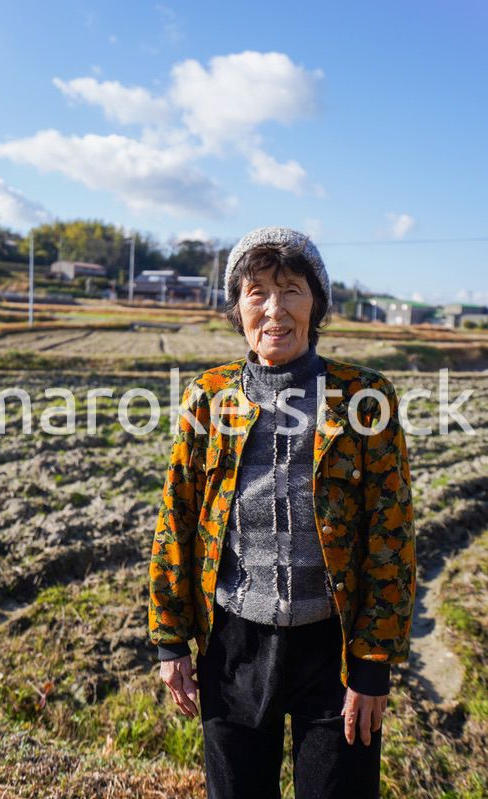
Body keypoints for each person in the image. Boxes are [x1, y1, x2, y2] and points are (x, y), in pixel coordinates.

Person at [148, 227, 417, 799]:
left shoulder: (364, 398)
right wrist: (171, 640)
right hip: (233, 644)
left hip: (333, 647)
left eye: (292, 289)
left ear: (316, 303)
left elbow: (391, 535)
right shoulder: (209, 396)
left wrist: (373, 662)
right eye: (257, 292)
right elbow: (177, 516)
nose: (275, 309)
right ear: (237, 308)